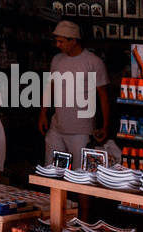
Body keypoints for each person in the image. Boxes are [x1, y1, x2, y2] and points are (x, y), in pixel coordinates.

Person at [38, 19, 110, 169]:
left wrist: (105, 125)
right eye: (57, 41)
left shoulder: (93, 62)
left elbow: (103, 95)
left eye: (61, 41)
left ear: (74, 40)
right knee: (53, 172)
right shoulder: (57, 60)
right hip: (56, 129)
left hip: (81, 132)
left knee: (82, 175)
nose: (58, 45)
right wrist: (43, 113)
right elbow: (49, 87)